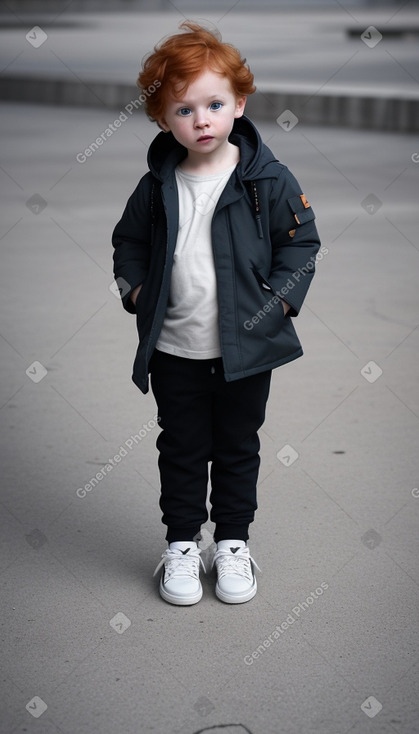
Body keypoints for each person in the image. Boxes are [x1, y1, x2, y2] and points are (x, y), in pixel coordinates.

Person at [112, 21, 321, 606]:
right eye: (183, 109)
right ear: (161, 119)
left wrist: (277, 304)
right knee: (179, 447)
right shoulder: (157, 186)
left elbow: (302, 244)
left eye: (213, 104)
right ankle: (182, 543)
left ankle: (232, 542)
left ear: (239, 103)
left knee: (236, 446)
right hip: (176, 347)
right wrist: (136, 293)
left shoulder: (266, 180)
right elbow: (126, 243)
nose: (200, 120)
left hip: (246, 350)